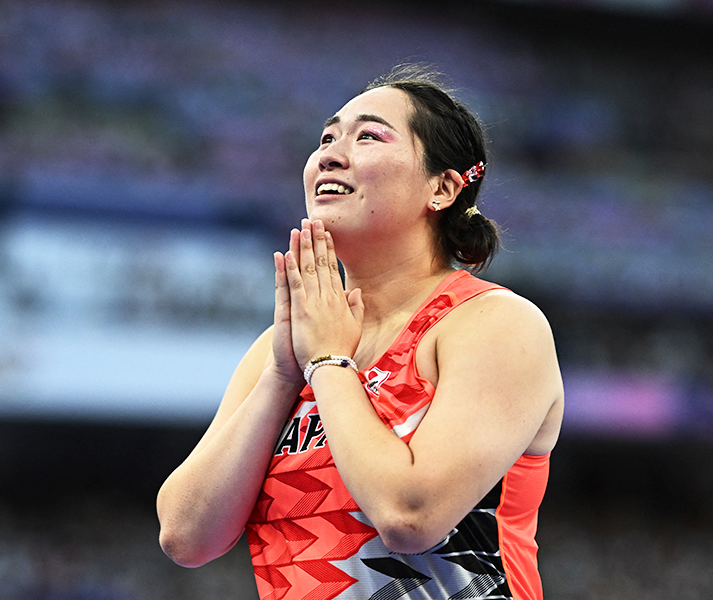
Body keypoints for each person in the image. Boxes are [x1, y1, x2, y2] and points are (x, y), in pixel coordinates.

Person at [156, 64, 564, 600]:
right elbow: (186, 537)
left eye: (368, 136)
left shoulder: (494, 324)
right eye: (326, 138)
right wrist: (282, 376)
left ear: (442, 187)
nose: (329, 153)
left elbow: (409, 515)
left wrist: (327, 362)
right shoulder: (283, 351)